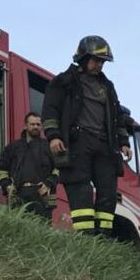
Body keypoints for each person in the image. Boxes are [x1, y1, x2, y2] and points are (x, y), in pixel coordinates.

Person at [40, 35, 131, 238]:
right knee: (80, 189)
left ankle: (102, 239)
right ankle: (86, 237)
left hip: (104, 146)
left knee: (108, 192)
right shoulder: (64, 82)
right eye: (96, 60)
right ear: (83, 57)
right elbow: (50, 110)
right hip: (78, 142)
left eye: (103, 62)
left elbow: (117, 117)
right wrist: (54, 136)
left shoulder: (108, 87)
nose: (100, 65)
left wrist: (123, 142)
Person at [0, 112, 59, 221]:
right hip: (18, 195)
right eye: (32, 124)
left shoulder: (48, 146)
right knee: (16, 229)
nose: (36, 127)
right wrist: (7, 186)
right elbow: (1, 169)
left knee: (41, 231)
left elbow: (60, 168)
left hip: (42, 196)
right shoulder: (13, 147)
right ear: (25, 126)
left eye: (38, 125)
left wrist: (49, 183)